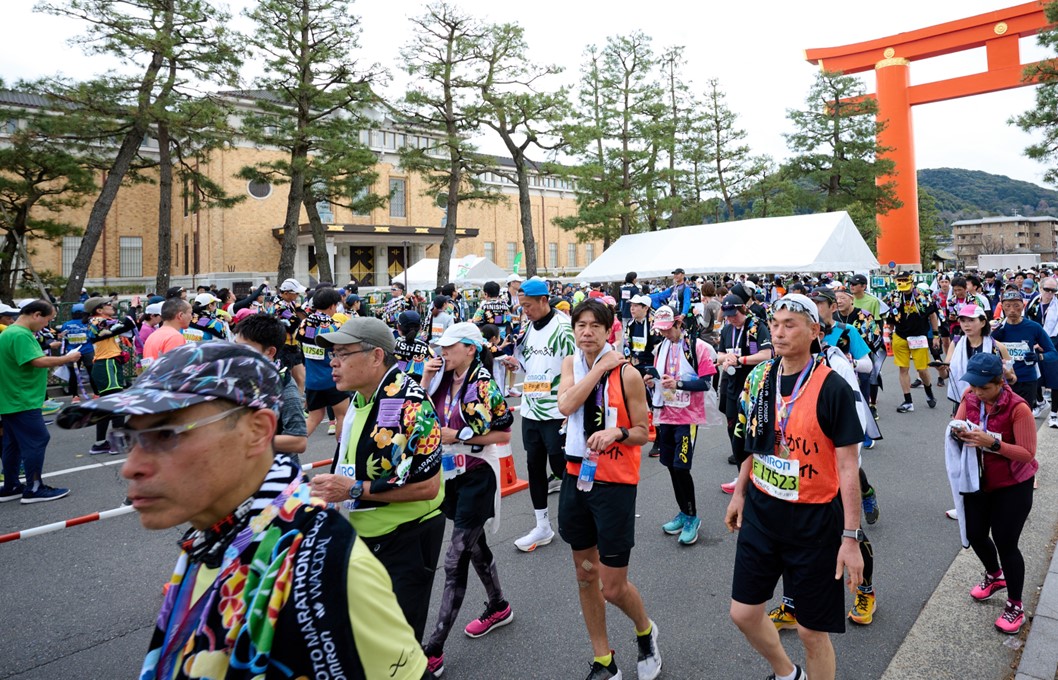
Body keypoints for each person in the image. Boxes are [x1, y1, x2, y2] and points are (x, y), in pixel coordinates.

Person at [56, 342, 427, 679]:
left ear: (256, 431)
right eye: (131, 439)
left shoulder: (323, 567)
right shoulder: (214, 536)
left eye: (166, 434)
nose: (130, 467)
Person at [726, 294, 864, 680]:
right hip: (762, 511)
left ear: (814, 331)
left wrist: (850, 538)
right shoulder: (761, 377)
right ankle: (788, 674)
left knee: (810, 630)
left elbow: (848, 467)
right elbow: (756, 441)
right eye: (775, 324)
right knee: (744, 612)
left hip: (814, 520)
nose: (780, 332)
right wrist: (739, 492)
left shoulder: (832, 387)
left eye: (791, 324)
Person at [309, 317, 445, 643]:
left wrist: (352, 489)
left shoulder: (410, 404)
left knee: (398, 643)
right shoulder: (360, 396)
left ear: (376, 356)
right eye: (332, 354)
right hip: (363, 533)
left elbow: (429, 486)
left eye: (343, 353)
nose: (333, 362)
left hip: (407, 537)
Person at [556, 298, 661, 680]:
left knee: (612, 587)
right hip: (575, 477)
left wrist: (616, 432)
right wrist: (598, 369)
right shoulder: (573, 363)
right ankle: (604, 659)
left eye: (594, 326)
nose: (586, 332)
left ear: (608, 330)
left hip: (614, 483)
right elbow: (566, 404)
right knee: (585, 576)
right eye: (580, 325)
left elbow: (644, 432)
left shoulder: (628, 374)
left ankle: (646, 631)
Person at [419, 323, 514, 677]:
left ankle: (435, 647)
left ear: (471, 349)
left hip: (478, 473)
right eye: (441, 346)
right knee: (474, 546)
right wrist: (425, 380)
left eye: (450, 346)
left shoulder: (483, 383)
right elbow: (420, 418)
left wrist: (458, 434)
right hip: (450, 475)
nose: (443, 352)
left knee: (455, 556)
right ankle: (499, 606)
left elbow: (505, 430)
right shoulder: (441, 377)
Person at [948, 353, 1038, 635]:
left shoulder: (1018, 408)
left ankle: (1015, 605)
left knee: (1006, 542)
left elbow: (1027, 454)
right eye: (973, 386)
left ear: (999, 382)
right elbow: (958, 422)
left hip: (1013, 485)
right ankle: (994, 575)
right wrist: (958, 432)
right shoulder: (969, 396)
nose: (977, 392)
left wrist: (992, 443)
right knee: (974, 533)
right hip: (978, 480)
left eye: (983, 387)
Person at [501, 278, 575, 551]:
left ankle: (576, 518)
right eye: (522, 307)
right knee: (534, 467)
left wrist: (572, 409)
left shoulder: (565, 328)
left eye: (529, 306)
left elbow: (577, 369)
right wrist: (516, 362)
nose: (525, 311)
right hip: (531, 410)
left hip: (557, 410)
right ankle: (542, 525)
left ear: (544, 300)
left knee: (562, 469)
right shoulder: (529, 327)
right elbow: (534, 362)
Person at [645, 305, 717, 545]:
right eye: (661, 330)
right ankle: (683, 512)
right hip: (666, 413)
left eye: (668, 329)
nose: (665, 334)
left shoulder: (698, 347)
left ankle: (692, 517)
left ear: (679, 323)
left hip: (688, 417)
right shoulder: (661, 348)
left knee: (681, 467)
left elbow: (706, 383)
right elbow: (660, 378)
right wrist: (651, 380)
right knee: (670, 466)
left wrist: (679, 384)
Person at [0, 300, 81, 504]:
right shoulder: (20, 334)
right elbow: (36, 361)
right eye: (47, 319)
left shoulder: (9, 332)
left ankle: (11, 486)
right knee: (37, 439)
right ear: (36, 314)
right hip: (22, 399)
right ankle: (34, 488)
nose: (46, 325)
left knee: (13, 443)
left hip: (11, 397)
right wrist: (67, 358)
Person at [232, 314, 308, 470]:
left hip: (277, 475)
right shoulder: (238, 376)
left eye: (244, 348)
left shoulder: (285, 387)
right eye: (235, 345)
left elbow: (299, 441)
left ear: (270, 352)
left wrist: (247, 440)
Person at [716, 293, 773, 491]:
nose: (731, 318)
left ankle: (758, 476)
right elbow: (720, 354)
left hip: (755, 388)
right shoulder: (726, 329)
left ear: (742, 309)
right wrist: (726, 358)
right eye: (727, 315)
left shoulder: (756, 326)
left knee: (756, 431)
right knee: (734, 431)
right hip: (732, 386)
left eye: (734, 314)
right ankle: (742, 476)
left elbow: (767, 354)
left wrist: (740, 360)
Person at [85, 297, 139, 455]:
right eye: (107, 304)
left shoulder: (100, 321)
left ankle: (100, 443)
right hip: (107, 365)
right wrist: (133, 307)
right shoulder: (99, 321)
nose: (111, 305)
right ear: (99, 310)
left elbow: (127, 326)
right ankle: (117, 443)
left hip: (106, 365)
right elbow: (127, 324)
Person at [992, 289, 1057, 418]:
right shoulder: (996, 328)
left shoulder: (1033, 327)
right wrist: (992, 339)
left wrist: (1039, 356)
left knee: (1021, 418)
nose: (1012, 310)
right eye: (1007, 306)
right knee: (1002, 418)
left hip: (1027, 380)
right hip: (1002, 380)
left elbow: (1053, 353)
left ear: (1023, 306)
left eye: (1016, 305)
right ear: (1002, 307)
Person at [295, 286, 349, 437]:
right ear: (332, 305)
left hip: (312, 381)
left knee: (313, 418)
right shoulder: (335, 326)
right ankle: (341, 455)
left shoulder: (304, 324)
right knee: (342, 417)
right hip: (333, 379)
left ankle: (290, 450)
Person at [885, 272, 940, 413]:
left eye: (904, 280)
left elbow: (932, 315)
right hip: (900, 336)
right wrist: (889, 335)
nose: (902, 283)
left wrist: (935, 335)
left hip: (918, 337)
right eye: (899, 280)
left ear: (911, 281)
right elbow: (890, 318)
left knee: (922, 369)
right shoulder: (894, 296)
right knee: (903, 368)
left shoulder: (922, 295)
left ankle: (928, 391)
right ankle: (908, 401)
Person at [273, 277, 308, 393]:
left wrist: (301, 318)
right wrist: (299, 319)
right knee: (285, 380)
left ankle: (300, 407)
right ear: (286, 293)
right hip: (283, 346)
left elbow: (304, 317)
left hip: (294, 346)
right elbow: (293, 324)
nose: (298, 295)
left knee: (301, 379)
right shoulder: (279, 306)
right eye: (296, 293)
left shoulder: (292, 302)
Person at [59, 302, 95, 401]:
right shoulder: (89, 323)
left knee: (73, 374)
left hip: (72, 352)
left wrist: (62, 353)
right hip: (88, 351)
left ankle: (75, 396)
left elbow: (63, 340)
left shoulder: (66, 325)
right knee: (92, 372)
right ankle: (97, 394)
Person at [142, 298, 191, 367]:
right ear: (180, 315)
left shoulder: (153, 335)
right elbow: (174, 370)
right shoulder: (175, 337)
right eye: (190, 313)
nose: (191, 317)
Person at [393, 310, 432, 382]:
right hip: (418, 391)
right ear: (420, 328)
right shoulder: (427, 349)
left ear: (398, 327)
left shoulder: (389, 346)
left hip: (391, 389)